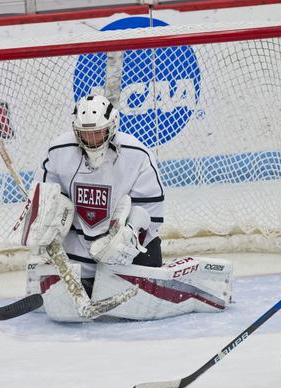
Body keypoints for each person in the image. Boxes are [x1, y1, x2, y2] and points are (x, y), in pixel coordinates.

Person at [21, 94, 232, 322]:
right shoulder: (58, 151)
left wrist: (127, 241)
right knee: (63, 314)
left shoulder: (137, 155)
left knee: (135, 309)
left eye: (98, 132)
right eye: (85, 134)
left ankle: (187, 288)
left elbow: (150, 213)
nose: (91, 139)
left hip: (127, 253)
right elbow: (45, 198)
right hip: (77, 249)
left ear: (112, 127)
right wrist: (41, 224)